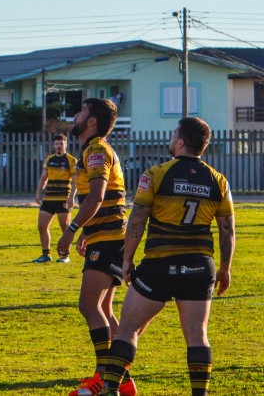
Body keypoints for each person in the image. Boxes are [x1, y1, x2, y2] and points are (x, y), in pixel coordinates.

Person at [96, 117, 235, 396]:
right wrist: (225, 269)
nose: (171, 139)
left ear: (181, 142)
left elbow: (137, 219)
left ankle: (110, 389)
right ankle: (200, 394)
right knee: (197, 335)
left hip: (159, 265)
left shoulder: (156, 174)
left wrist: (126, 260)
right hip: (199, 267)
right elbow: (227, 230)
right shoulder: (218, 180)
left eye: (174, 135)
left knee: (128, 329)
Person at [55, 99, 137, 396]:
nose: (75, 115)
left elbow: (98, 195)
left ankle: (103, 378)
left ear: (91, 121)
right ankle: (122, 380)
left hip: (110, 238)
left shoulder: (97, 150)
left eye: (81, 112)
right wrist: (87, 230)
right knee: (103, 307)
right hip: (107, 235)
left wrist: (72, 229)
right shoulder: (94, 150)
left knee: (88, 305)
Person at [33, 133, 77, 263]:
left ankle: (65, 255)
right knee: (41, 226)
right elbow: (43, 178)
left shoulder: (71, 160)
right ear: (54, 145)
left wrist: (71, 198)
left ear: (66, 144)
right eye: (57, 143)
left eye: (61, 143)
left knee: (65, 227)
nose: (59, 146)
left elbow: (75, 181)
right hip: (49, 198)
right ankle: (46, 254)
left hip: (63, 199)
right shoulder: (49, 159)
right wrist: (38, 194)